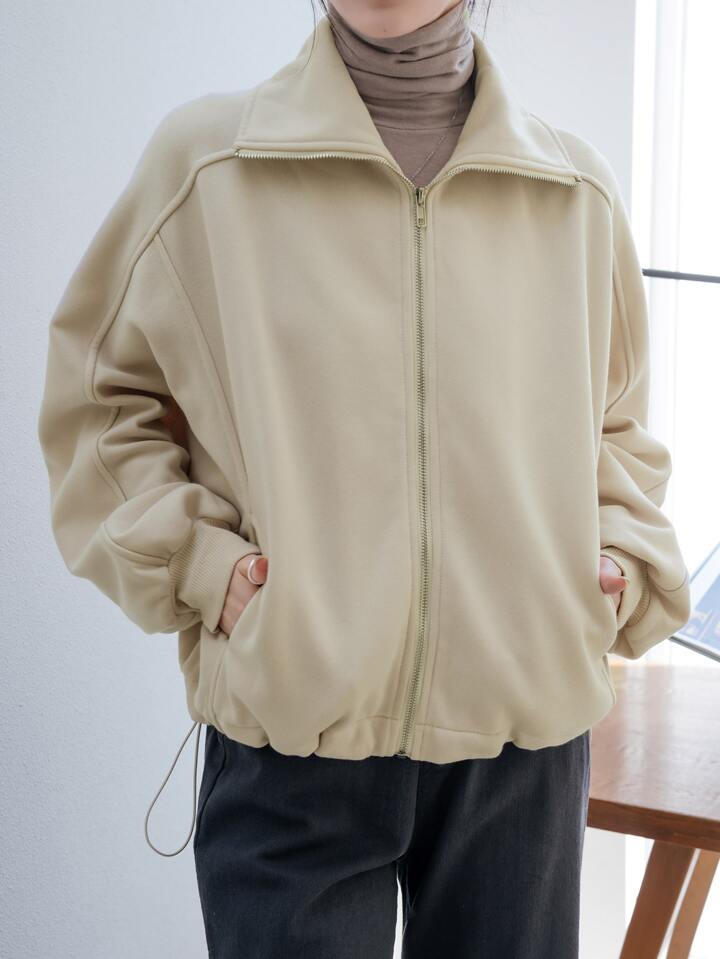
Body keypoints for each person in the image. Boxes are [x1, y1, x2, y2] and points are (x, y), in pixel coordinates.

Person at [37, 0, 692, 955]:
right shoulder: (211, 166)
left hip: (520, 751)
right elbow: (97, 402)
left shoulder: (573, 190)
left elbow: (617, 427)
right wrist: (205, 567)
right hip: (291, 746)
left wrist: (615, 569)